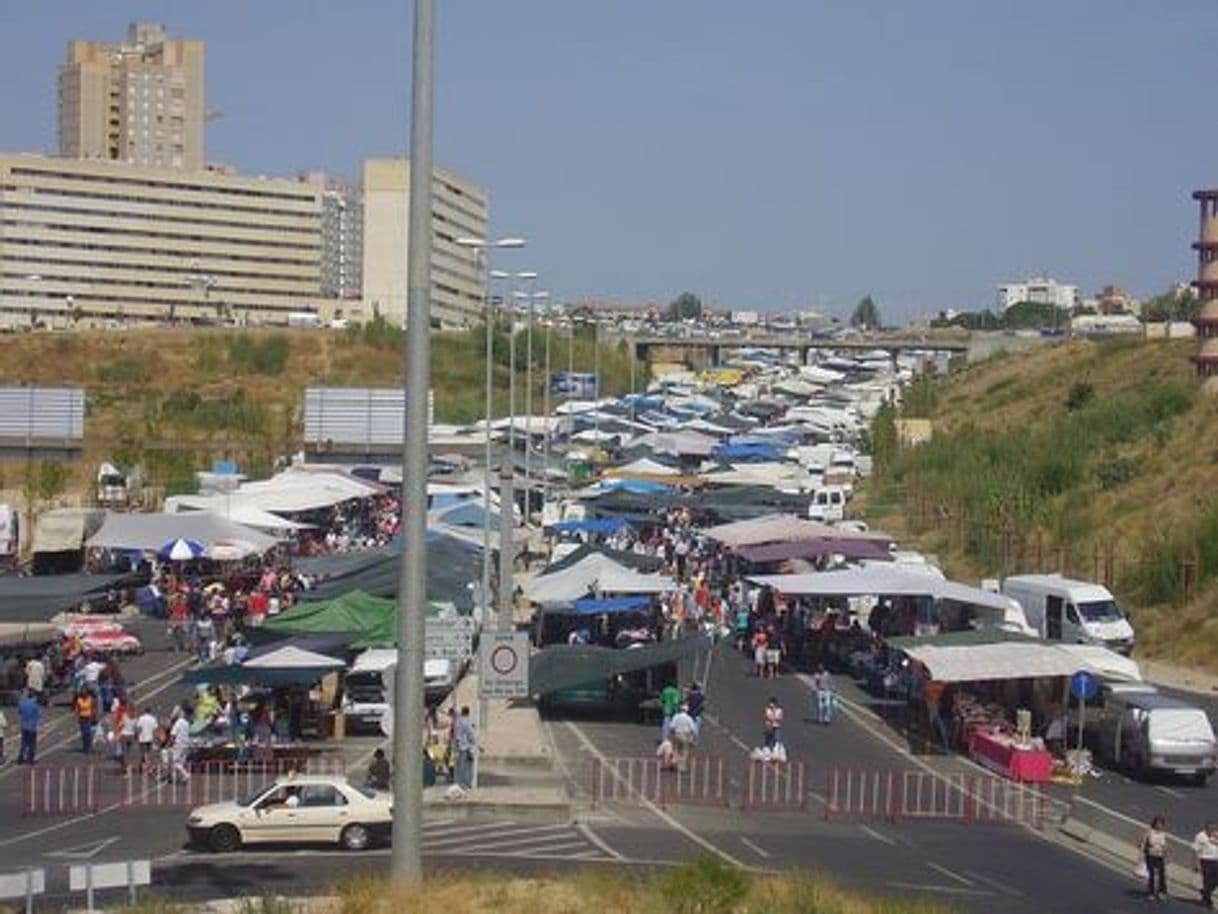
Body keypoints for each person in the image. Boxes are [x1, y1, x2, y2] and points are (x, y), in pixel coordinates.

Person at [1142, 815, 1169, 901]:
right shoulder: (1150, 832)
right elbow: (1144, 842)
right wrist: (1141, 854)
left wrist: (1166, 856)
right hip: (1150, 855)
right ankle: (1151, 892)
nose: (1159, 825)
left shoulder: (1163, 834)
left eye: (1161, 824)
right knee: (1152, 874)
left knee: (1162, 874)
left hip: (1159, 856)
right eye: (1158, 823)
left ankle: (1162, 892)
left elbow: (1164, 846)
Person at [452, 706, 476, 791]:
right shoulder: (466, 722)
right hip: (465, 746)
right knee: (467, 766)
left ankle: (458, 783)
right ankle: (465, 784)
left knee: (458, 766)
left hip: (457, 745)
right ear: (468, 713)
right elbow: (470, 734)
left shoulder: (457, 721)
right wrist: (474, 743)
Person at [1195, 822, 1218, 909]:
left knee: (1215, 880)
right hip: (1205, 860)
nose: (1213, 831)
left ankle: (1205, 892)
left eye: (1214, 829)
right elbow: (1196, 851)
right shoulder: (1200, 836)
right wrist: (1197, 864)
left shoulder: (1216, 835)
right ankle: (1208, 901)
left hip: (1216, 860)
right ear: (1206, 828)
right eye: (1211, 829)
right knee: (1207, 880)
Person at [669, 703, 698, 771]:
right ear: (687, 710)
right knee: (684, 751)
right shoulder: (689, 718)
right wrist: (694, 737)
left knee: (675, 749)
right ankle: (681, 766)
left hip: (677, 734)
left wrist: (672, 733)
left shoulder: (676, 716)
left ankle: (674, 761)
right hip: (685, 735)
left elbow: (671, 726)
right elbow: (693, 729)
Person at [169, 707, 192, 784]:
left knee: (175, 762)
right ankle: (175, 777)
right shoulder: (186, 723)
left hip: (178, 744)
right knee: (181, 763)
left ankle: (186, 775)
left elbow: (173, 734)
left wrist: (170, 743)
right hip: (186, 744)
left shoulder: (178, 723)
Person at [17, 689, 40, 765]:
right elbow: (38, 716)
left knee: (23, 743)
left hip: (24, 725)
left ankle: (20, 758)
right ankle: (31, 759)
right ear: (33, 697)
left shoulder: (22, 704)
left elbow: (19, 712)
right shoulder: (35, 705)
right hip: (32, 727)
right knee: (32, 744)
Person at [73, 688, 97, 754]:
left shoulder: (90, 699)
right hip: (82, 718)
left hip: (89, 718)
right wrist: (77, 716)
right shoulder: (79, 700)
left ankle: (89, 747)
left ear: (87, 694)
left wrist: (94, 717)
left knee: (88, 733)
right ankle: (85, 747)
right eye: (82, 694)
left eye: (85, 694)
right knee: (84, 733)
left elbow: (93, 708)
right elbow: (77, 709)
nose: (83, 695)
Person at [136, 706, 158, 773]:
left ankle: (147, 767)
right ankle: (144, 766)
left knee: (144, 753)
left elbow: (139, 728)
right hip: (150, 738)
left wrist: (137, 735)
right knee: (148, 753)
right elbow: (155, 729)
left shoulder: (141, 718)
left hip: (142, 738)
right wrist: (155, 738)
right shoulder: (153, 719)